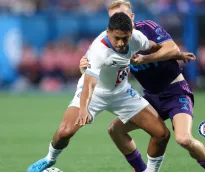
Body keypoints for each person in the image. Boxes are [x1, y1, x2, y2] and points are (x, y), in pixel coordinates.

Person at [79, 1, 205, 172]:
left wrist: (147, 58)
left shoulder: (146, 28)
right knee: (115, 129)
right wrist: (85, 64)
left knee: (184, 139)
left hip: (175, 91)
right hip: (151, 96)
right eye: (114, 18)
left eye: (123, 16)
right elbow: (95, 65)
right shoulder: (114, 42)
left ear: (131, 17)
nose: (119, 20)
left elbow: (171, 48)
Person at [27, 12, 175, 172]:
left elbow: (154, 46)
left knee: (162, 134)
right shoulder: (100, 49)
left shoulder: (137, 38)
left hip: (122, 93)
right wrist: (83, 110)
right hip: (94, 93)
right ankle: (49, 158)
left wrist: (176, 53)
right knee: (65, 132)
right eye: (116, 38)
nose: (120, 43)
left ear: (131, 34)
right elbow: (89, 84)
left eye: (125, 38)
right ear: (108, 31)